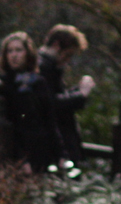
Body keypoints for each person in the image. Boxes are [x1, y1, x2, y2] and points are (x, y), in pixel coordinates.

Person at [0, 31, 59, 173]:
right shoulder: (1, 84)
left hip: (40, 148)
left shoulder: (38, 82)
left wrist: (60, 155)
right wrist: (21, 158)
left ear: (27, 53)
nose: (14, 55)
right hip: (15, 150)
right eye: (10, 51)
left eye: (19, 50)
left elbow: (49, 119)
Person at [37, 24, 96, 175]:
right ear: (56, 46)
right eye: (68, 55)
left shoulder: (48, 66)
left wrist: (77, 91)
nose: (67, 60)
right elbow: (51, 104)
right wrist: (81, 94)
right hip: (52, 144)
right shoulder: (43, 67)